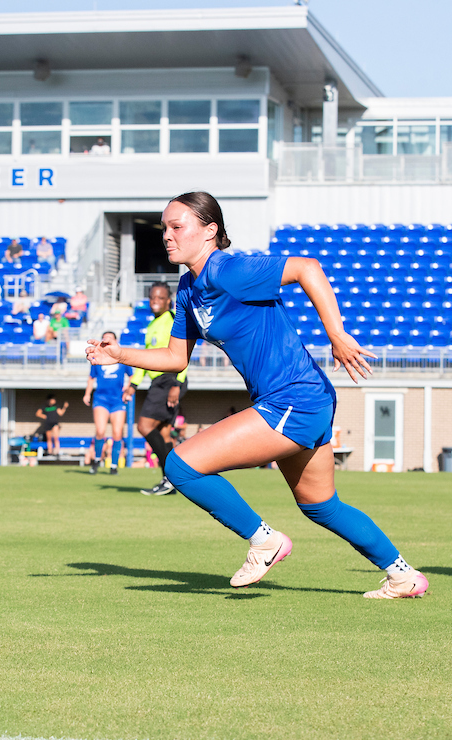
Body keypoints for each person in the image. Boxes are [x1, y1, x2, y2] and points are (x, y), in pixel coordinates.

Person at [87, 192, 428, 598]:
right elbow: (176, 357)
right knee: (320, 505)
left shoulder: (228, 270)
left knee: (181, 466)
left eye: (177, 226)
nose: (167, 236)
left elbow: (307, 268)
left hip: (294, 398)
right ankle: (404, 575)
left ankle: (265, 540)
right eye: (164, 228)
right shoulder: (188, 289)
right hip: (299, 399)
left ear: (210, 231)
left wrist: (336, 335)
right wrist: (120, 354)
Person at [122, 282, 187, 497]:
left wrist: (177, 384)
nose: (155, 302)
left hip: (169, 381)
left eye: (160, 298)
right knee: (164, 433)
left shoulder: (172, 320)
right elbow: (147, 359)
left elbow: (183, 353)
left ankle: (171, 477)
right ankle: (171, 482)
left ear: (169, 300)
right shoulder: (152, 325)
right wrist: (133, 384)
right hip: (158, 382)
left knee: (144, 425)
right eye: (152, 298)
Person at [83, 331, 133, 475]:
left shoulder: (122, 359)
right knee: (100, 431)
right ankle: (96, 461)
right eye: (105, 339)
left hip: (117, 400)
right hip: (101, 399)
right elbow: (91, 378)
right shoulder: (97, 358)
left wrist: (128, 389)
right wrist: (87, 393)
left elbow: (132, 376)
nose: (107, 341)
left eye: (110, 339)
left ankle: (113, 465)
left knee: (117, 433)